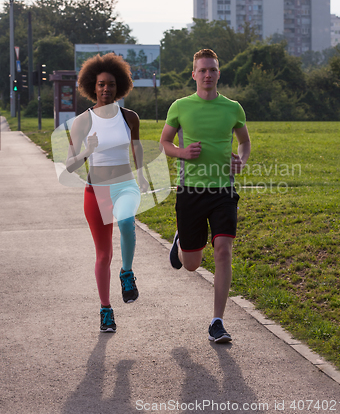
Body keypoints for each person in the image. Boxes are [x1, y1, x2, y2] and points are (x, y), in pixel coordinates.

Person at [160, 49, 251, 343]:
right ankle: (180, 240)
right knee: (192, 264)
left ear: (219, 73)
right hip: (190, 192)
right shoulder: (180, 106)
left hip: (223, 190)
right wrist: (182, 152)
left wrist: (241, 159)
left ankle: (217, 322)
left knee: (223, 250)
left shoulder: (233, 108)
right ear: (194, 74)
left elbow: (245, 142)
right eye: (202, 70)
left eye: (212, 70)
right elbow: (164, 142)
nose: (208, 75)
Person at [66, 53, 148, 333]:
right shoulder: (82, 122)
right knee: (103, 255)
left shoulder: (129, 117)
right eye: (101, 84)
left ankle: (127, 273)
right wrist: (87, 151)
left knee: (126, 222)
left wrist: (142, 176)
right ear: (93, 86)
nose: (106, 89)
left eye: (111, 84)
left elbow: (136, 149)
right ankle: (106, 310)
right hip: (96, 190)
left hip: (125, 185)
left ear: (119, 86)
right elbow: (69, 164)